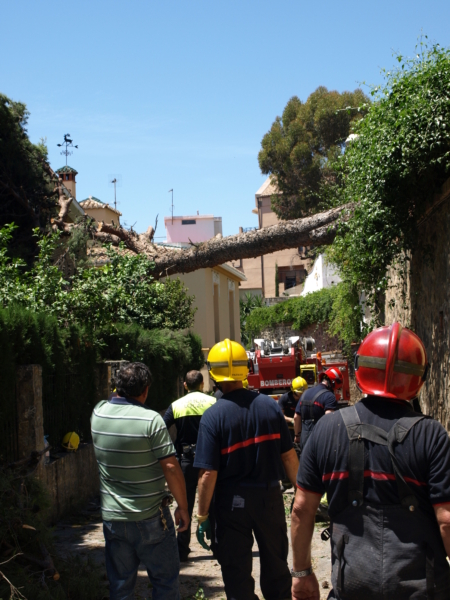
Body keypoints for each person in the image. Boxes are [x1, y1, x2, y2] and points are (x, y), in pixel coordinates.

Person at [291, 323, 450, 600]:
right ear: (419, 379)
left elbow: (301, 511)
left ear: (359, 369)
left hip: (351, 585)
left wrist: (302, 574)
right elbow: (446, 521)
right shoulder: (432, 436)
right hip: (422, 589)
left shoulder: (327, 430)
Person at [194, 338, 299, 600]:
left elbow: (208, 473)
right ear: (246, 368)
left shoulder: (212, 416)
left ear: (214, 374)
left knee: (237, 574)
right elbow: (288, 457)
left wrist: (202, 515)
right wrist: (301, 491)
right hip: (269, 499)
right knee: (277, 567)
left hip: (231, 505)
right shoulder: (269, 406)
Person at [91, 362, 189, 600]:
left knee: (120, 587)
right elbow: (170, 467)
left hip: (113, 518)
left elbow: (110, 399)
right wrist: (183, 507)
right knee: (165, 583)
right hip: (150, 517)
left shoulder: (98, 412)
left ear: (117, 388)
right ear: (145, 390)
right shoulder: (151, 421)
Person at [163, 370, 216, 561]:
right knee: (211, 501)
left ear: (185, 385)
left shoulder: (176, 406)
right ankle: (216, 544)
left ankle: (182, 549)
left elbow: (162, 428)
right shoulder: (213, 403)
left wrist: (170, 453)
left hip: (185, 460)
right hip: (209, 460)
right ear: (202, 384)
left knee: (185, 504)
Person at [293, 367, 339, 451]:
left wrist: (297, 436)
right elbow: (329, 420)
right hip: (320, 443)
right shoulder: (329, 396)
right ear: (333, 383)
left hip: (304, 441)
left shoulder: (305, 393)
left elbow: (296, 417)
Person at [278, 376, 308, 441]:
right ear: (293, 391)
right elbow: (280, 415)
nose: (301, 396)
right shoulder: (285, 398)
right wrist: (291, 420)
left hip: (302, 429)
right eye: (299, 393)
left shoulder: (306, 399)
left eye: (303, 393)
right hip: (288, 429)